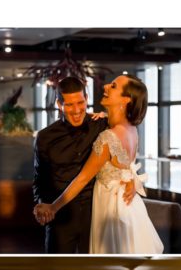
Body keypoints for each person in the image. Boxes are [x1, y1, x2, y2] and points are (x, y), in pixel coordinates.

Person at [35, 75, 162, 254]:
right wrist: (44, 207)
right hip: (62, 219)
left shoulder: (104, 128)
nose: (77, 110)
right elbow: (40, 178)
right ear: (59, 104)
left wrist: (132, 179)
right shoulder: (45, 137)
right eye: (70, 105)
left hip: (97, 215)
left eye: (80, 102)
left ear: (87, 99)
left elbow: (87, 176)